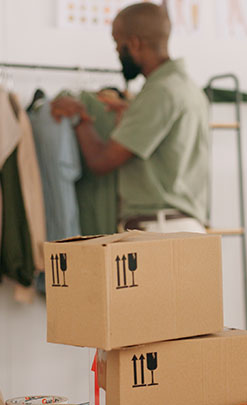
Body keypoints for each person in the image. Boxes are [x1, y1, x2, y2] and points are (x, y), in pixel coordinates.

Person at [50, 2, 209, 233]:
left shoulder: (159, 92)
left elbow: (101, 161)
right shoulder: (188, 88)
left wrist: (79, 116)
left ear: (134, 43)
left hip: (159, 229)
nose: (116, 51)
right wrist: (132, 111)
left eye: (117, 43)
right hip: (182, 227)